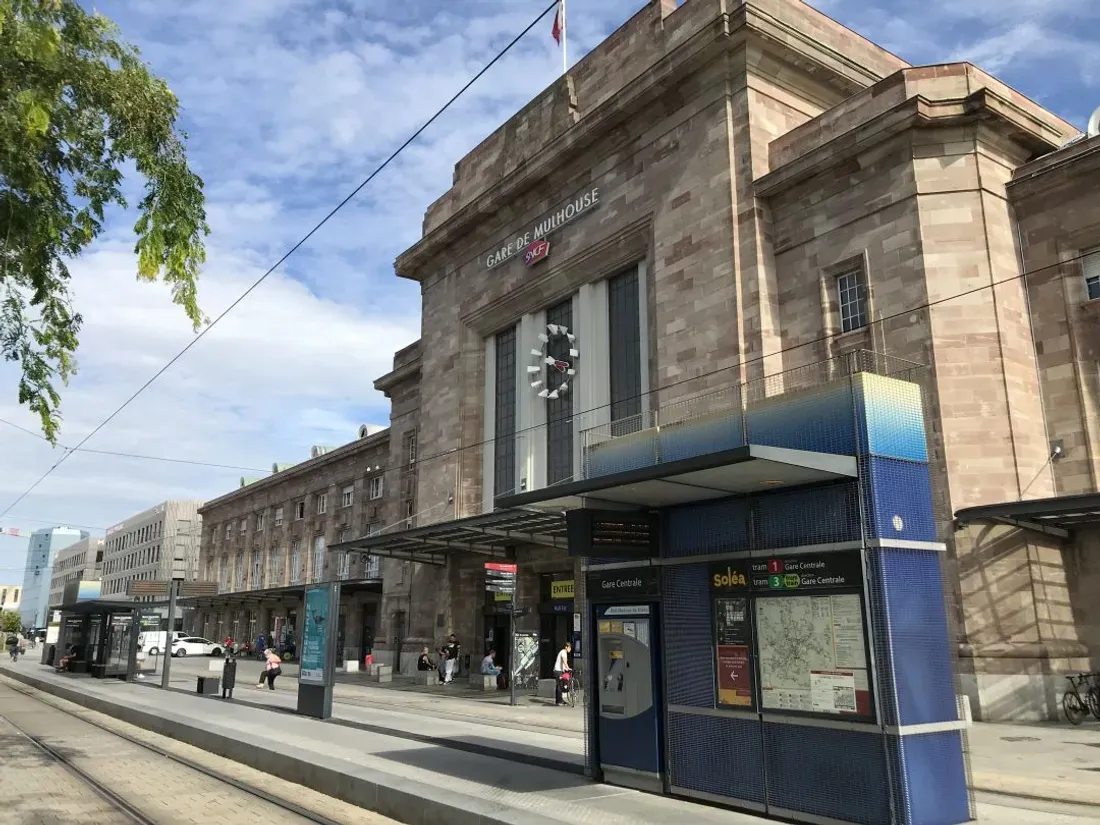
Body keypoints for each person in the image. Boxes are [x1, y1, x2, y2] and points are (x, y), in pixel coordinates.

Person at [553, 641, 573, 706]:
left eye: (570, 648)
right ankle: (559, 702)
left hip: (559, 670)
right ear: (566, 647)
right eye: (569, 648)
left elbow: (562, 663)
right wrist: (568, 667)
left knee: (560, 685)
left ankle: (559, 700)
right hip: (558, 671)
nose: (570, 649)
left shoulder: (563, 652)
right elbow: (564, 661)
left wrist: (565, 668)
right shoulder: (563, 652)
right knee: (559, 685)